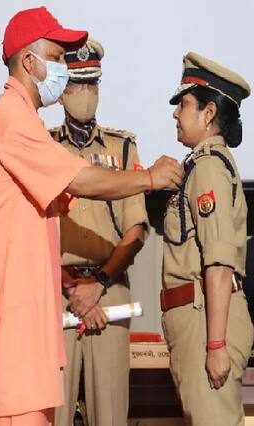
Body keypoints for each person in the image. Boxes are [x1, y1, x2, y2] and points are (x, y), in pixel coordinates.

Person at [0, 6, 182, 426]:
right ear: (30, 62)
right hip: (12, 327)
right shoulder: (12, 118)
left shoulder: (25, 120)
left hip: (31, 320)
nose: (64, 70)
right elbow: (79, 180)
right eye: (57, 58)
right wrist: (150, 178)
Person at [50, 38, 149, 426]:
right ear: (62, 92)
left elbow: (136, 230)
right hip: (58, 291)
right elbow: (32, 234)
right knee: (53, 411)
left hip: (110, 292)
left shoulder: (122, 148)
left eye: (93, 84)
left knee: (109, 415)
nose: (87, 94)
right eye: (78, 84)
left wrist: (98, 285)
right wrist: (73, 288)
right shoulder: (44, 147)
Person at [161, 51, 253, 425]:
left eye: (184, 104)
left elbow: (218, 262)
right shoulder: (202, 166)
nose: (175, 114)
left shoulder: (209, 168)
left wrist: (215, 344)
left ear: (208, 113)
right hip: (198, 320)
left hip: (207, 322)